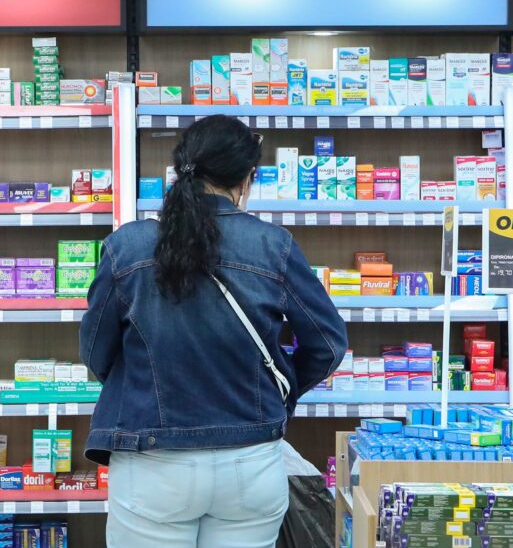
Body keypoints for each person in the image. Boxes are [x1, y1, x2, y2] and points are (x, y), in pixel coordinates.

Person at [79, 115, 349, 548]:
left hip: (152, 461)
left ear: (181, 170)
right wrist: (276, 389)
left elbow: (95, 351)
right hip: (250, 462)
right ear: (246, 178)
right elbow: (328, 344)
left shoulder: (126, 246)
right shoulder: (273, 245)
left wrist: (144, 383)